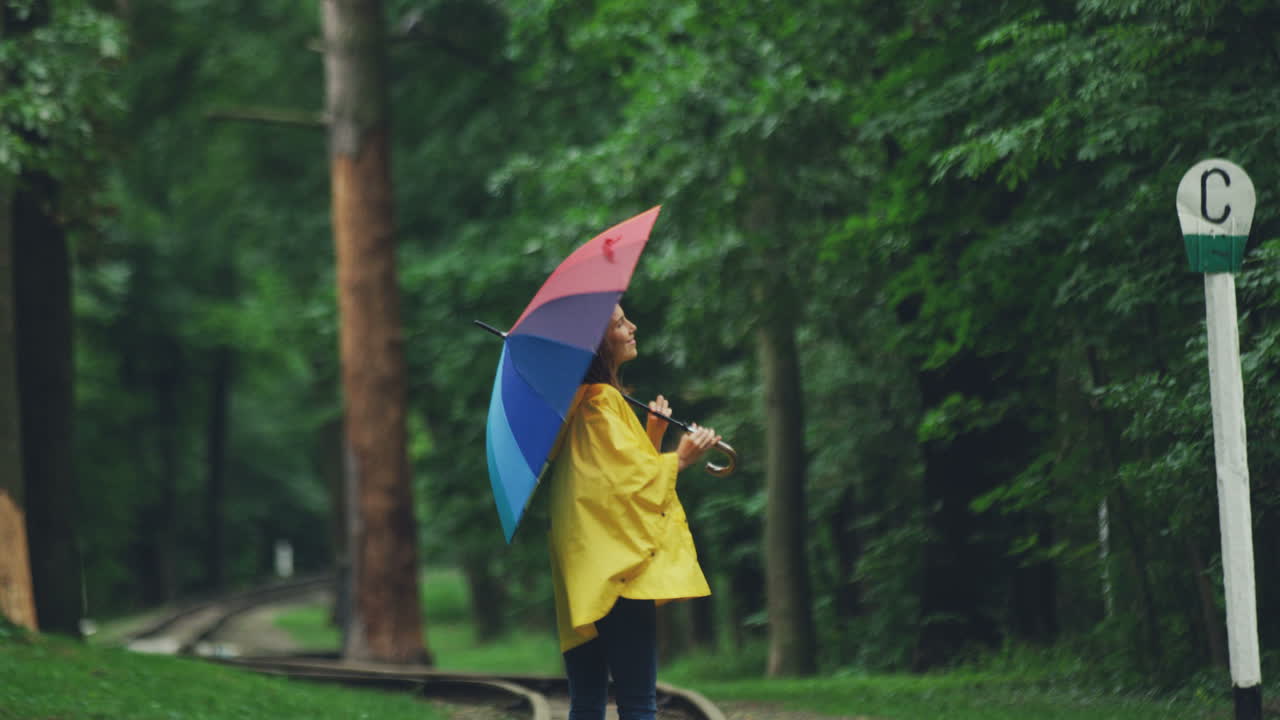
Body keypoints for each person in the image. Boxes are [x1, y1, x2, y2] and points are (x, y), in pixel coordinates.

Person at [546, 304, 721, 720]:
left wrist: (652, 435)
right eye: (620, 323)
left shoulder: (582, 406)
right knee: (638, 703)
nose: (632, 327)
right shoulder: (600, 405)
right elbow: (623, 488)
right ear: (598, 342)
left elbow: (612, 478)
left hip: (588, 573)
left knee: (587, 702)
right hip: (619, 575)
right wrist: (679, 459)